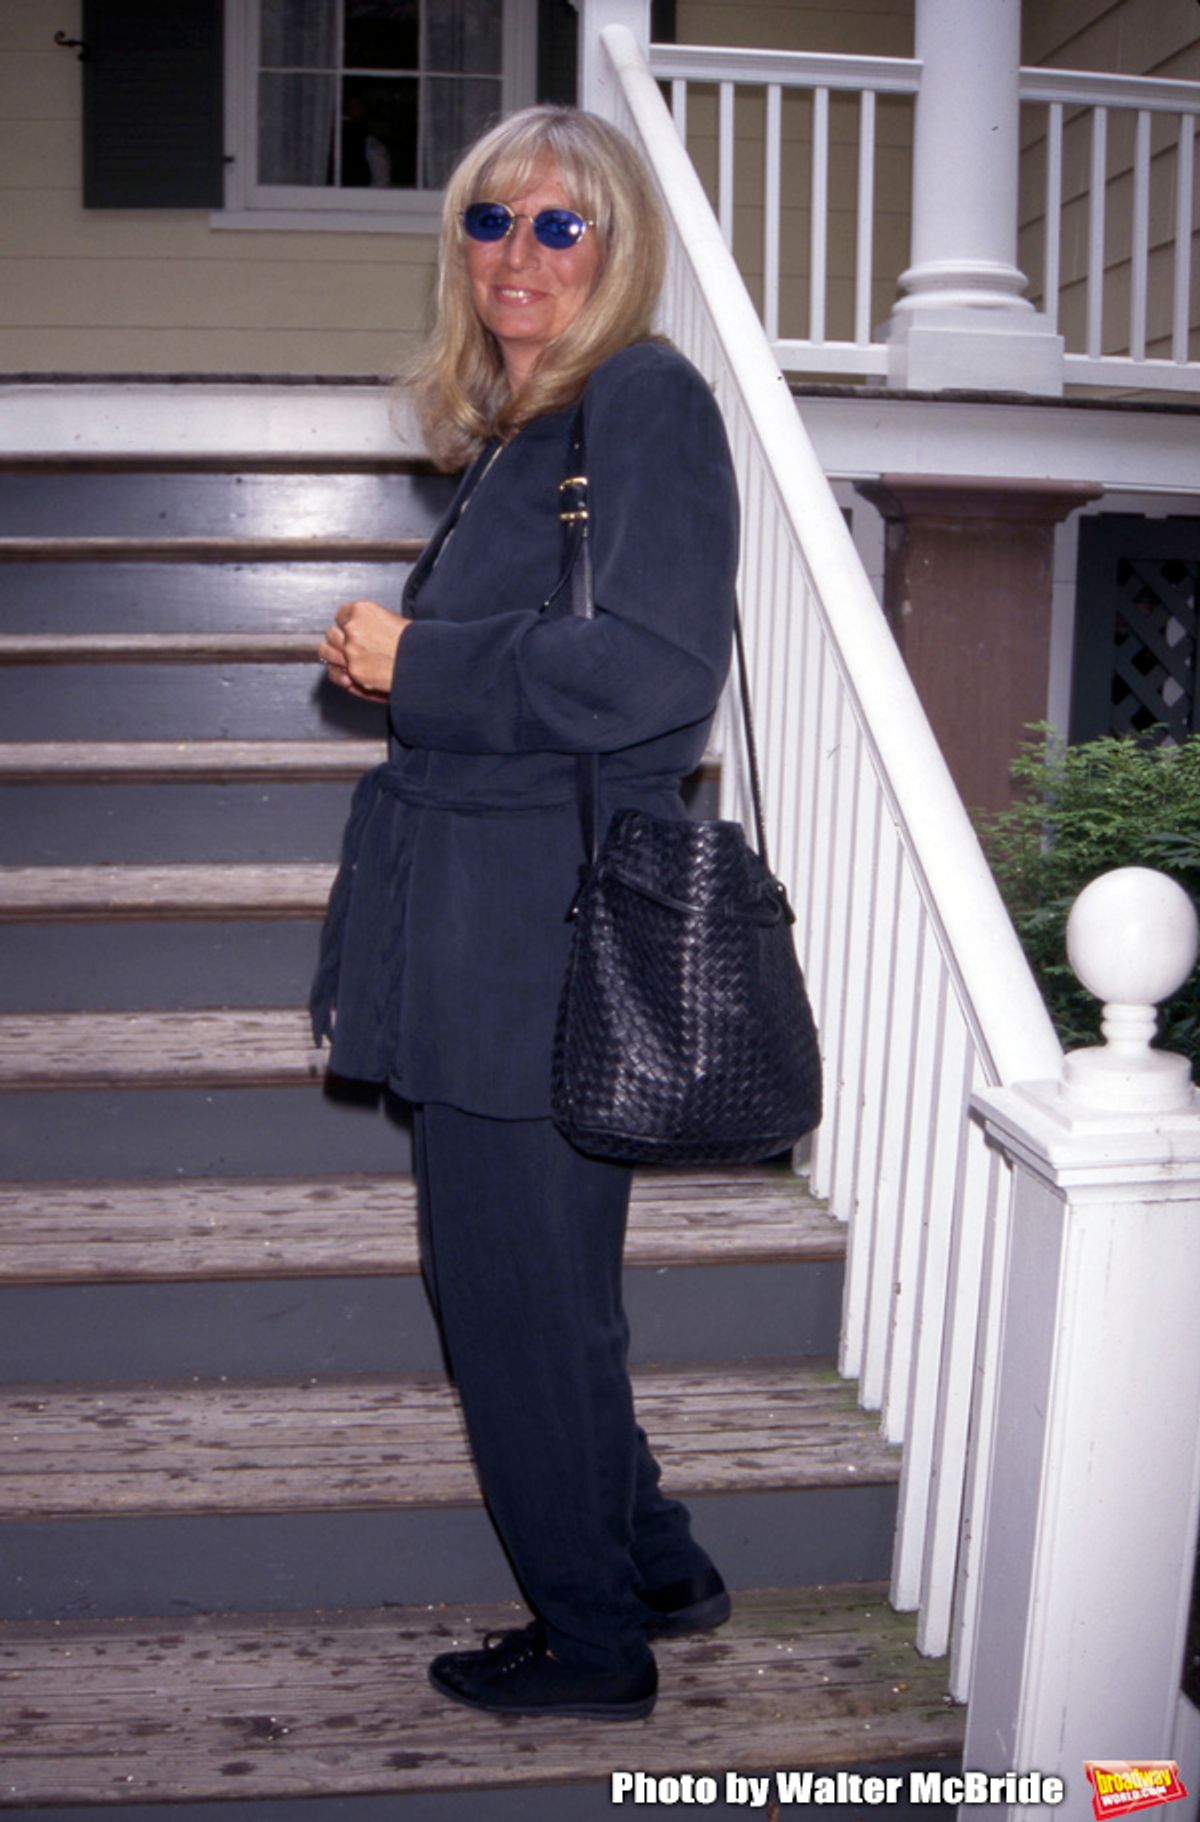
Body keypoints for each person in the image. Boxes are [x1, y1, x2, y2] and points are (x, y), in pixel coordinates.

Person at [313, 103, 739, 1721]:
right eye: (494, 220)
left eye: (562, 227)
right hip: (491, 922)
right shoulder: (530, 425)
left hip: (537, 941)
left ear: (617, 249)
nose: (518, 254)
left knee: (508, 1304)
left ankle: (588, 1641)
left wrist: (419, 663)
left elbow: (652, 672)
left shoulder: (644, 398)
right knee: (550, 1290)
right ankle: (654, 1563)